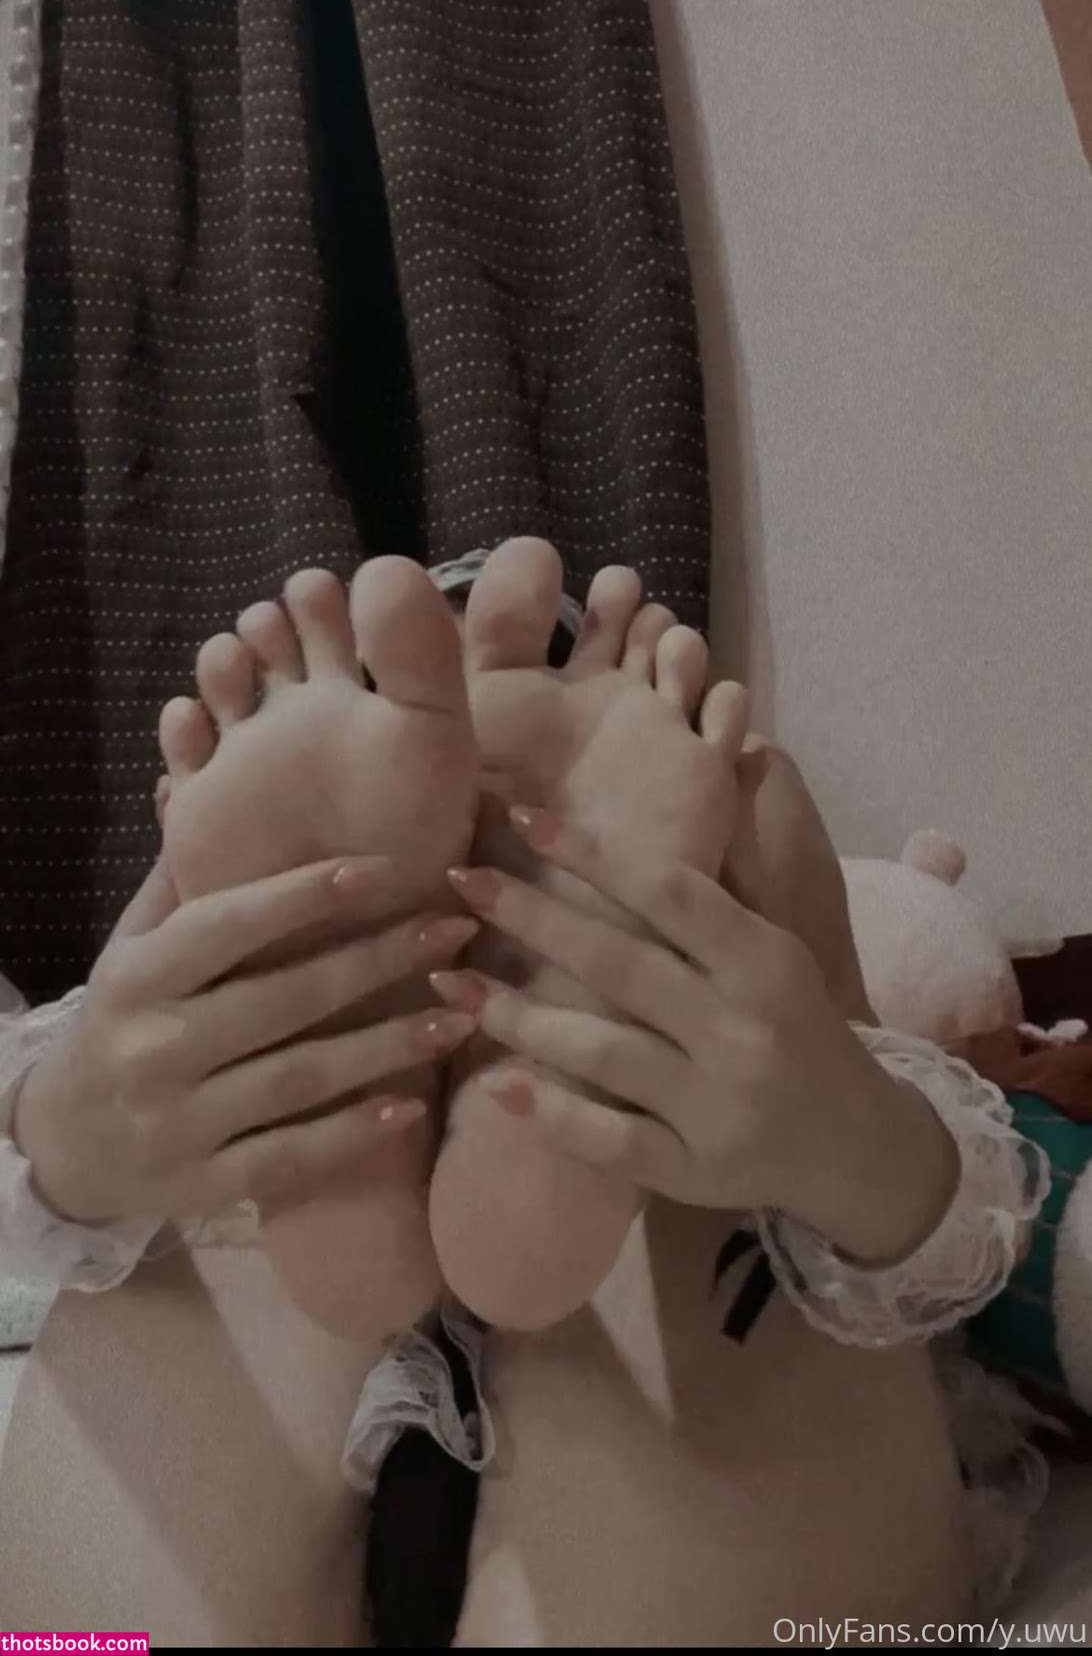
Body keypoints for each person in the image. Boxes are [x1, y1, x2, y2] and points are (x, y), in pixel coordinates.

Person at [0, 541, 1046, 1645]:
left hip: (634, 1254)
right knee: (163, 1130)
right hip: (684, 1475)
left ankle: (533, 1056)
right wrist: (60, 1140)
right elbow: (973, 1232)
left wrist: (831, 1125)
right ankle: (472, 1056)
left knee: (762, 1113)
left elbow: (957, 1226)